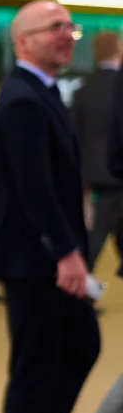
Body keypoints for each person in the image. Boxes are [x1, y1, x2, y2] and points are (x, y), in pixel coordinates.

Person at [0, 0, 100, 413]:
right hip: (33, 258)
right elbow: (34, 190)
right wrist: (67, 254)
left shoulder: (45, 93)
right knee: (36, 361)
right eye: (53, 28)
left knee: (79, 346)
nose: (65, 35)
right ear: (23, 41)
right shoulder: (22, 101)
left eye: (68, 28)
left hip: (51, 253)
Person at [75, 30, 123, 274]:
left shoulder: (82, 91)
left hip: (95, 173)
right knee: (99, 234)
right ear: (118, 49)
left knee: (105, 227)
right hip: (117, 172)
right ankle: (81, 286)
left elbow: (75, 137)